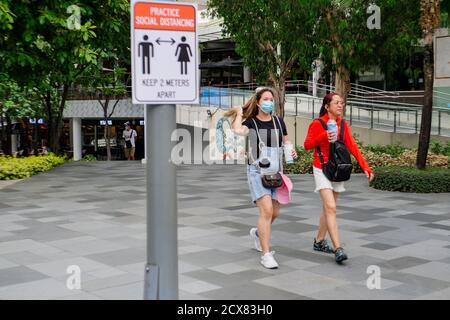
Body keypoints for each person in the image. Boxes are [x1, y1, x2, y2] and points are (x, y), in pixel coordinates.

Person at [225, 87, 298, 269]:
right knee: (266, 211)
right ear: (258, 102)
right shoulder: (251, 122)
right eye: (266, 99)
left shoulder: (279, 122)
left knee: (274, 213)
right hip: (257, 172)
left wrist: (292, 151)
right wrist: (240, 113)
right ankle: (266, 254)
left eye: (271, 99)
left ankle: (258, 234)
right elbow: (237, 131)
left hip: (276, 172)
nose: (269, 102)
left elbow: (286, 142)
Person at [303, 92, 374, 264]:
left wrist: (365, 166)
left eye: (342, 103)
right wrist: (323, 136)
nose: (340, 105)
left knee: (329, 208)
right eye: (336, 103)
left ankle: (319, 241)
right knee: (331, 207)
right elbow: (306, 145)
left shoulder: (343, 124)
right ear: (327, 107)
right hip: (321, 168)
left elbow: (352, 145)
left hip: (337, 169)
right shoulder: (317, 123)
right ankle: (338, 248)